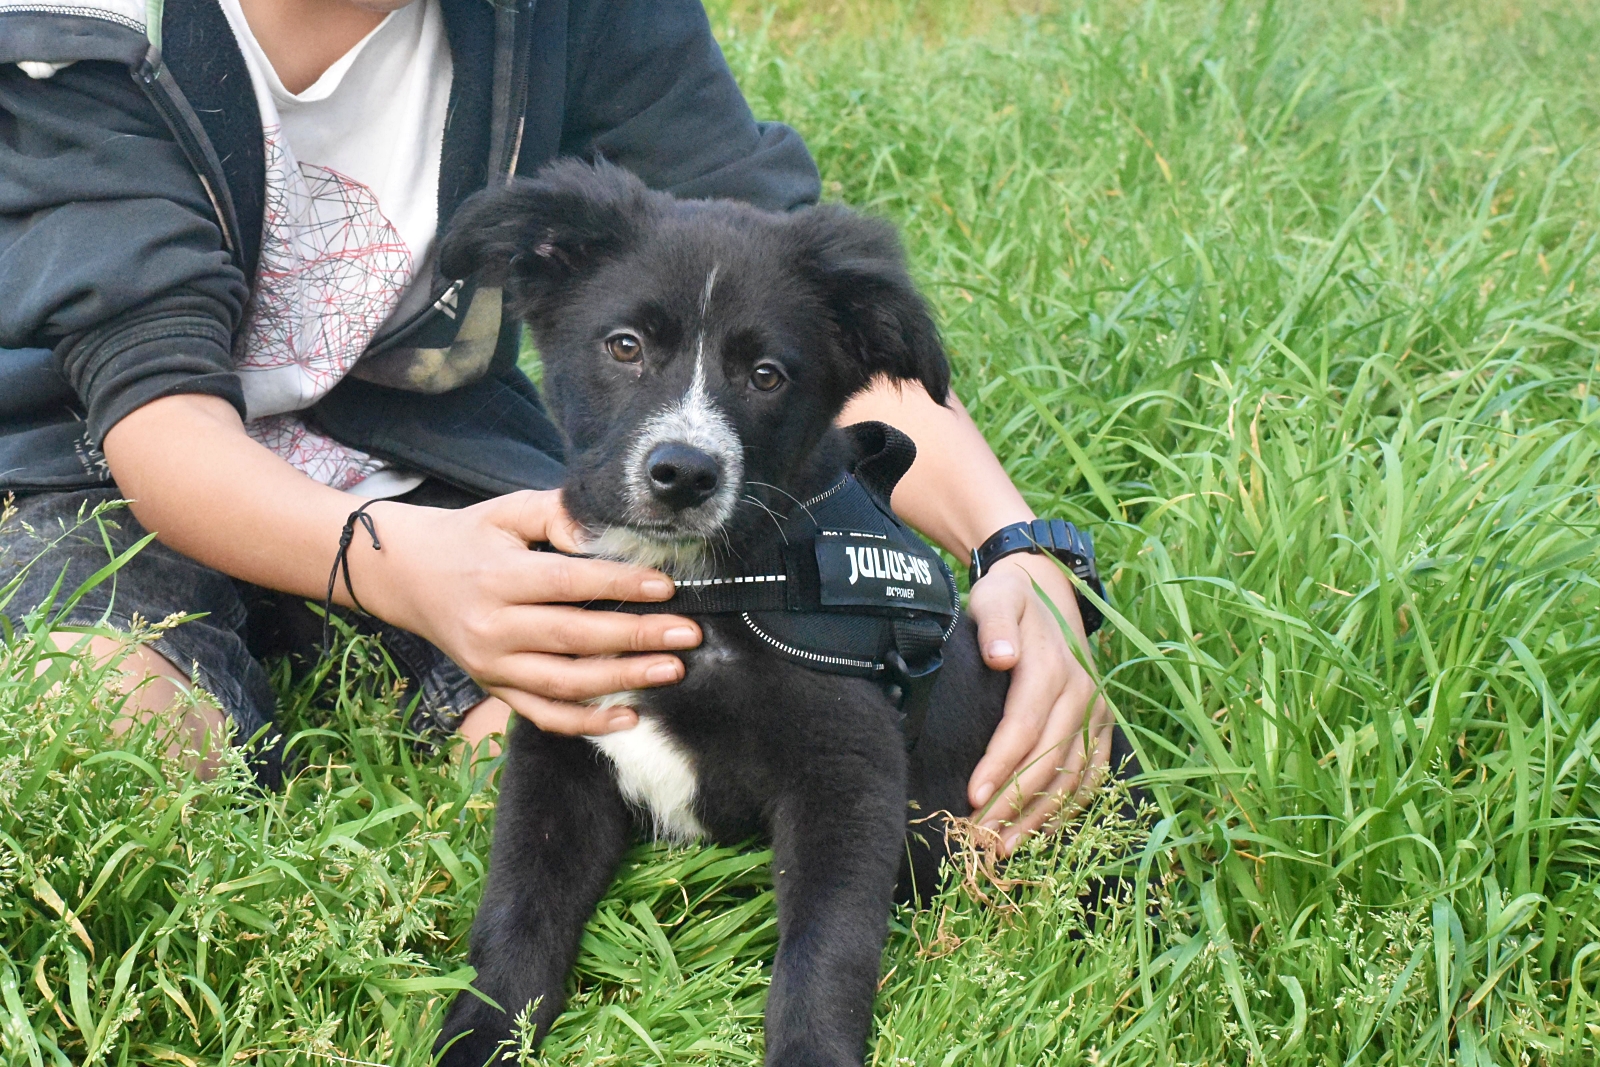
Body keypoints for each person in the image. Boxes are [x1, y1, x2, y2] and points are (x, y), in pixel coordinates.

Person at [0, 0, 1112, 852]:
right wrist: (401, 572)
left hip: (432, 451)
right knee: (115, 744)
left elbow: (795, 298)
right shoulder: (89, 24)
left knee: (569, 755)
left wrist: (1017, 547)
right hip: (97, 469)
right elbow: (157, 411)